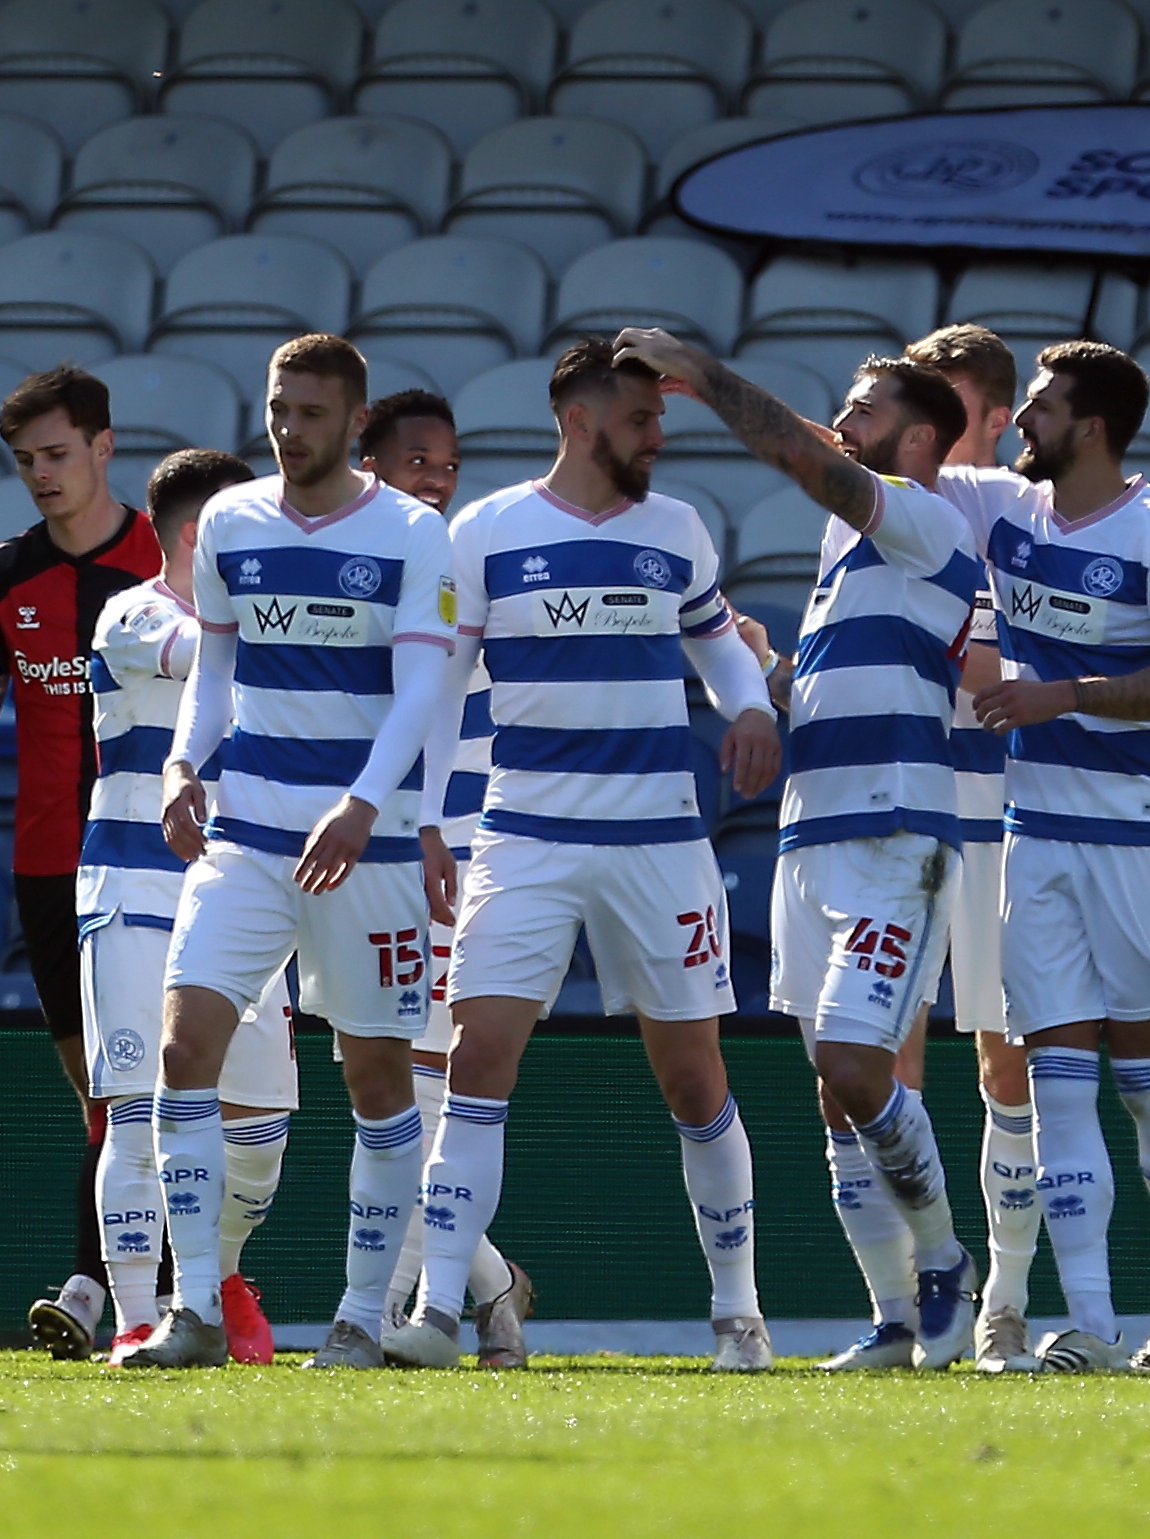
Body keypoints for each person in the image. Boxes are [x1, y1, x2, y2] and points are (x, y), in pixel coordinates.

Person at [384, 340, 783, 1373]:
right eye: (641, 419)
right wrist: (428, 821)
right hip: (524, 835)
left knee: (693, 1078)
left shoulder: (676, 528)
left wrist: (745, 705)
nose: (659, 436)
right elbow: (437, 685)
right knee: (475, 1062)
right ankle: (435, 1307)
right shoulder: (487, 532)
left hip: (658, 839)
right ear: (579, 422)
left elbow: (717, 644)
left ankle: (737, 1312)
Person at [614, 329, 984, 1372]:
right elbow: (839, 695)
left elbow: (797, 452)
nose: (842, 424)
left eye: (863, 411)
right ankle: (899, 1322)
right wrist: (769, 679)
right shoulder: (849, 559)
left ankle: (945, 1258)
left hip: (894, 831)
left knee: (853, 1064)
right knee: (832, 1089)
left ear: (918, 437)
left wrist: (705, 373)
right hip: (813, 832)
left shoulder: (920, 517)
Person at [125, 333, 454, 1370]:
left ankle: (360, 1316)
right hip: (250, 835)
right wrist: (187, 764)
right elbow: (217, 662)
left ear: (354, 422)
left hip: (372, 848)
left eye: (310, 412)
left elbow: (420, 694)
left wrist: (362, 804)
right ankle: (193, 1313)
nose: (288, 428)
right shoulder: (230, 518)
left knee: (375, 1081)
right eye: (277, 407)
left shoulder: (410, 531)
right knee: (183, 1054)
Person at [944, 341, 1150, 1373]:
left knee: (1149, 1079)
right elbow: (865, 474)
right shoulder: (1004, 509)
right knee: (1054, 1083)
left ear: (1091, 427)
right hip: (1037, 832)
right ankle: (1097, 1329)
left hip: (1140, 832)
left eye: (1038, 407)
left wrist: (1060, 695)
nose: (1019, 422)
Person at [0, 367, 165, 1358]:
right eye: (25, 460)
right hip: (45, 858)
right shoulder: (3, 577)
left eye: (57, 454)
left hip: (160, 852)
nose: (41, 474)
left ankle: (94, 1285)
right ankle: (155, 1277)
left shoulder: (168, 559)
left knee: (132, 1082)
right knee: (98, 1092)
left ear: (104, 446)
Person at [84, 448, 300, 1367]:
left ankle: (210, 1281)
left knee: (258, 1126)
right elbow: (229, 665)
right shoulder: (135, 614)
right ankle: (140, 1313)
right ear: (194, 536)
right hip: (135, 892)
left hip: (242, 893)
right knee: (141, 1111)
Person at [358, 390, 536, 1368]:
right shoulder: (350, 573)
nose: (436, 477)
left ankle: (392, 1313)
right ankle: (488, 1280)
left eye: (447, 463)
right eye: (415, 460)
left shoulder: (468, 571)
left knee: (419, 1089)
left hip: (455, 854)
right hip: (352, 857)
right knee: (386, 1088)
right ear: (369, 467)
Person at [906, 324, 1044, 1369]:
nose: (924, 426)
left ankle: (1005, 1293)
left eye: (944, 407)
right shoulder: (878, 502)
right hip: (897, 810)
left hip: (1002, 813)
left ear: (995, 419)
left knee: (1006, 1063)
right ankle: (920, 1290)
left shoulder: (1028, 511)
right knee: (882, 1064)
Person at [359, 389, 461, 514]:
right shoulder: (337, 532)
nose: (440, 481)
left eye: (451, 467)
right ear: (371, 471)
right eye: (419, 461)